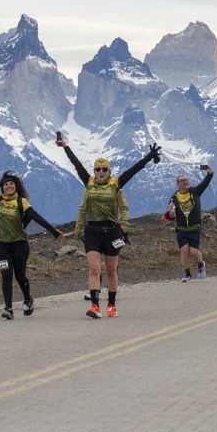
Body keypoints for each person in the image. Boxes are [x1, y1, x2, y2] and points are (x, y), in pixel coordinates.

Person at [57, 133, 161, 318]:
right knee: (94, 269)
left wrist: (148, 157)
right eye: (98, 169)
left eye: (104, 169)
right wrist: (65, 146)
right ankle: (95, 306)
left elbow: (133, 170)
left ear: (109, 171)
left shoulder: (116, 184)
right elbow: (76, 164)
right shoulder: (89, 183)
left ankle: (111, 305)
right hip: (92, 231)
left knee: (111, 271)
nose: (101, 172)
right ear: (94, 171)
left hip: (112, 231)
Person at [0, 153, 65, 319]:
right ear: (2, 187)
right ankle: (8, 308)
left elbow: (36, 217)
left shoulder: (21, 202)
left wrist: (53, 231)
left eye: (11, 184)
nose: (9, 186)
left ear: (16, 187)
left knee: (20, 276)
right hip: (3, 246)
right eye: (6, 184)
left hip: (20, 245)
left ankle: (27, 299)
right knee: (6, 276)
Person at [164, 165, 214, 282]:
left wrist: (210, 173)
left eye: (186, 180)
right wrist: (170, 212)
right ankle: (187, 274)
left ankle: (200, 264)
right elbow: (171, 216)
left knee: (194, 251)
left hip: (194, 228)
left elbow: (205, 183)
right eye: (183, 180)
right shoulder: (174, 197)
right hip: (181, 229)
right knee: (184, 250)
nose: (186, 182)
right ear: (178, 184)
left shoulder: (195, 192)